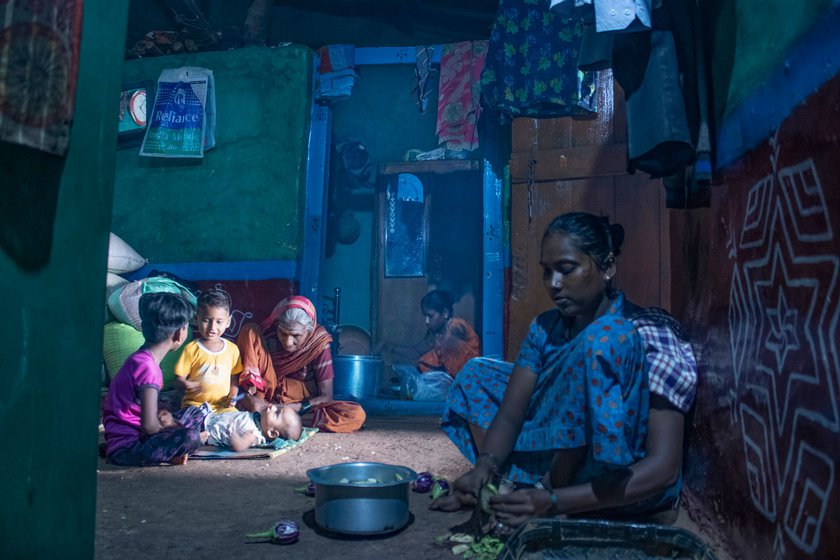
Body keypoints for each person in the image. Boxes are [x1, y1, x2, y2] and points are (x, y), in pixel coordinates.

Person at [430, 212, 697, 530]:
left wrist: (554, 503)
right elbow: (511, 415)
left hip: (626, 487)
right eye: (547, 272)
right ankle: (513, 488)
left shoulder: (648, 333)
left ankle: (544, 493)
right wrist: (486, 467)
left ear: (608, 267)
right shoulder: (547, 327)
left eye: (567, 269)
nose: (554, 285)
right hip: (563, 467)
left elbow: (664, 468)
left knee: (600, 341)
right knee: (475, 375)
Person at [236, 295, 366, 433]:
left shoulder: (318, 343)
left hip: (299, 405)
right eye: (283, 333)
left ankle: (279, 421)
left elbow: (326, 396)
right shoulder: (268, 336)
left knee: (355, 414)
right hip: (265, 398)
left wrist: (286, 409)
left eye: (295, 336)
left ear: (309, 330)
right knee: (250, 330)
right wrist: (251, 399)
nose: (287, 342)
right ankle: (270, 418)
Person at [102, 292, 201, 466]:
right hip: (129, 448)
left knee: (193, 414)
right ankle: (164, 455)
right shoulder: (148, 369)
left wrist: (167, 418)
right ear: (179, 334)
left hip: (122, 437)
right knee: (192, 436)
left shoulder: (141, 358)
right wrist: (170, 427)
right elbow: (149, 427)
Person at [173, 288, 243, 412]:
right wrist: (185, 384)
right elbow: (178, 380)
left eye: (219, 322)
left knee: (240, 422)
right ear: (196, 319)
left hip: (222, 406)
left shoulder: (232, 349)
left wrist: (233, 396)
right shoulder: (191, 349)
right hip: (195, 405)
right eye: (206, 320)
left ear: (228, 321)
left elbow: (234, 378)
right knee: (191, 426)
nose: (212, 327)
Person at [175, 402, 303, 452]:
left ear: (272, 433)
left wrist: (234, 436)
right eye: (278, 407)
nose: (272, 407)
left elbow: (240, 446)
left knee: (179, 428)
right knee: (183, 415)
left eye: (276, 413)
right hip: (204, 418)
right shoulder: (257, 418)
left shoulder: (254, 434)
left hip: (202, 428)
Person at [416, 289, 481, 377]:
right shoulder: (436, 330)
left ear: (445, 313)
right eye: (425, 316)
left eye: (430, 316)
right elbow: (422, 347)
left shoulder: (456, 325)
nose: (427, 321)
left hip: (470, 370)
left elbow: (452, 339)